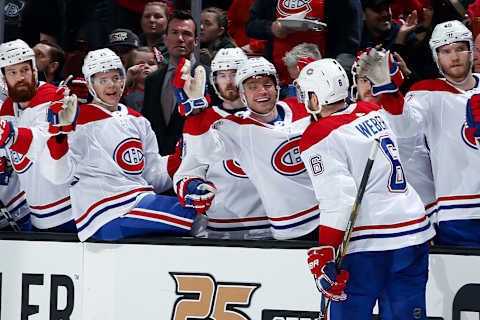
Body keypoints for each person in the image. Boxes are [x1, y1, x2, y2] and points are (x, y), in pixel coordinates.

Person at [295, 58, 434, 319]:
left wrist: (327, 250)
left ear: (315, 98)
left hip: (369, 244)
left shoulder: (318, 134)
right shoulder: (371, 110)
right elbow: (407, 132)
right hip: (413, 232)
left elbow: (339, 200)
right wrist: (392, 93)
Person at [37, 48, 196, 241]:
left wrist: (178, 161)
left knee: (197, 208)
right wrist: (59, 136)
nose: (111, 85)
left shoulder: (138, 120)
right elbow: (57, 175)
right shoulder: (75, 119)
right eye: (102, 80)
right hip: (104, 212)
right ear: (90, 83)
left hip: (137, 202)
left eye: (116, 77)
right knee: (191, 217)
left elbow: (152, 176)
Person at [356, 20, 480, 246]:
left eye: (460, 49)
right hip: (459, 212)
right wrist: (390, 94)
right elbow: (405, 129)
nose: (454, 57)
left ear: (471, 51)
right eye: (446, 51)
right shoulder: (425, 92)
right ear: (436, 57)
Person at [174, 57, 320, 240]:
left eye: (267, 84)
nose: (262, 91)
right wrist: (195, 113)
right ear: (242, 95)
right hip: (282, 228)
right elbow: (204, 153)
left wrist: (320, 81)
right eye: (252, 87)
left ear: (277, 88)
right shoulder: (234, 128)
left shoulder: (301, 109)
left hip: (326, 216)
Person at [172, 48, 271, 239]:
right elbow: (187, 172)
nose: (229, 81)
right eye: (222, 75)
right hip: (222, 228)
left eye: (234, 73)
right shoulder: (200, 119)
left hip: (270, 225)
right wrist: (192, 186)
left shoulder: (268, 113)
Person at [0, 39, 76, 232]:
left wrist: (11, 136)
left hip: (70, 211)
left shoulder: (55, 98)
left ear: (34, 69)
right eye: (12, 72)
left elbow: (44, 145)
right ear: (3, 78)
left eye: (25, 70)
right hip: (37, 216)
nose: (20, 78)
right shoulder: (8, 107)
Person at [142, 10, 199, 155]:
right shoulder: (152, 80)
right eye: (174, 33)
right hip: (156, 163)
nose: (180, 38)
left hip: (192, 161)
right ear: (165, 39)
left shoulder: (207, 78)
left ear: (196, 41)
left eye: (187, 34)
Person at [124, 46, 160, 113]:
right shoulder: (125, 92)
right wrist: (128, 79)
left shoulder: (164, 90)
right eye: (140, 64)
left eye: (151, 64)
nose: (146, 66)